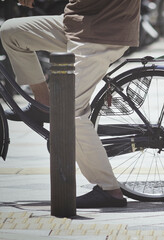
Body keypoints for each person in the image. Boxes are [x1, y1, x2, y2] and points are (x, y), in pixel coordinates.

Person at [0, 0, 140, 208]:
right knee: (12, 32)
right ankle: (43, 103)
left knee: (68, 113)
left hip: (102, 32)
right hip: (77, 24)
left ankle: (110, 190)